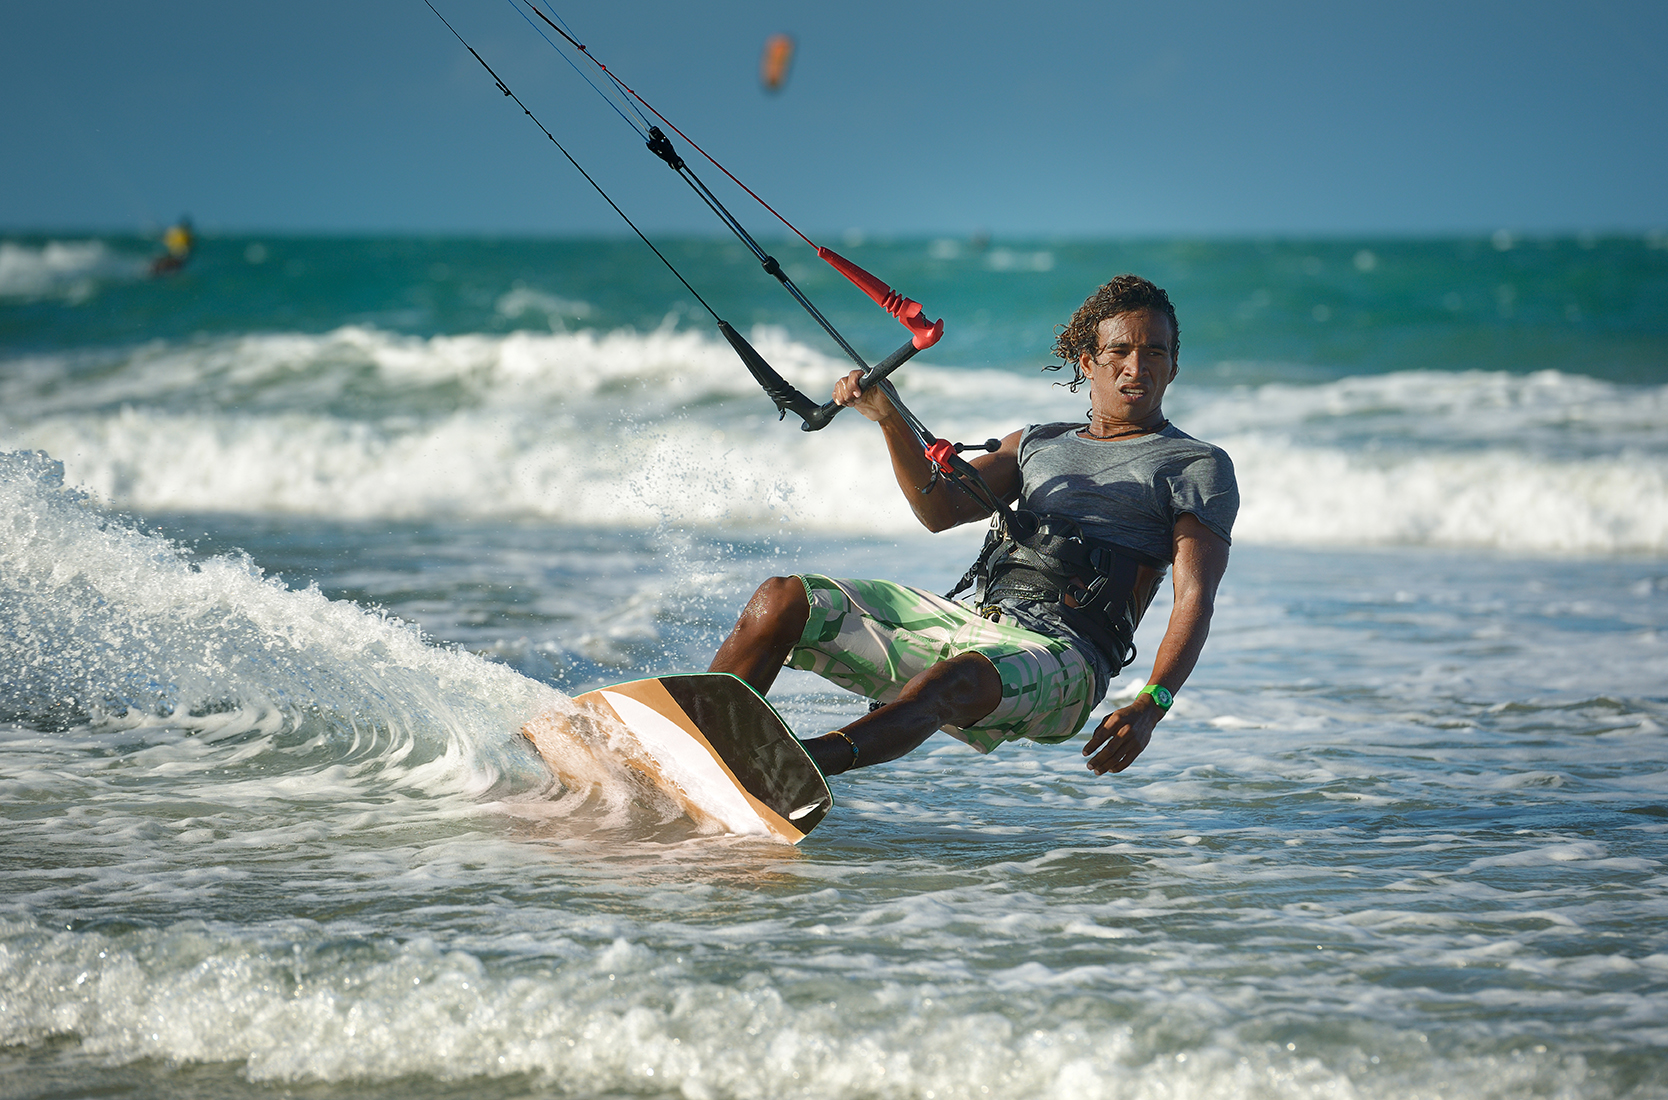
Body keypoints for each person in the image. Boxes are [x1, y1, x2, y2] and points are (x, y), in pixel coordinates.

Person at [709, 275, 1238, 779]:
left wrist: (1152, 702)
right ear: (1088, 363)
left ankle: (789, 765)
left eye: (1155, 352)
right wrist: (890, 419)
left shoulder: (1195, 463)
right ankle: (699, 735)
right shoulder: (1037, 443)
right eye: (1119, 352)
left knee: (953, 678)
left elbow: (1194, 596)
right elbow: (939, 512)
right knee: (782, 600)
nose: (1136, 367)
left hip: (1067, 659)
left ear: (1172, 368)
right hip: (974, 620)